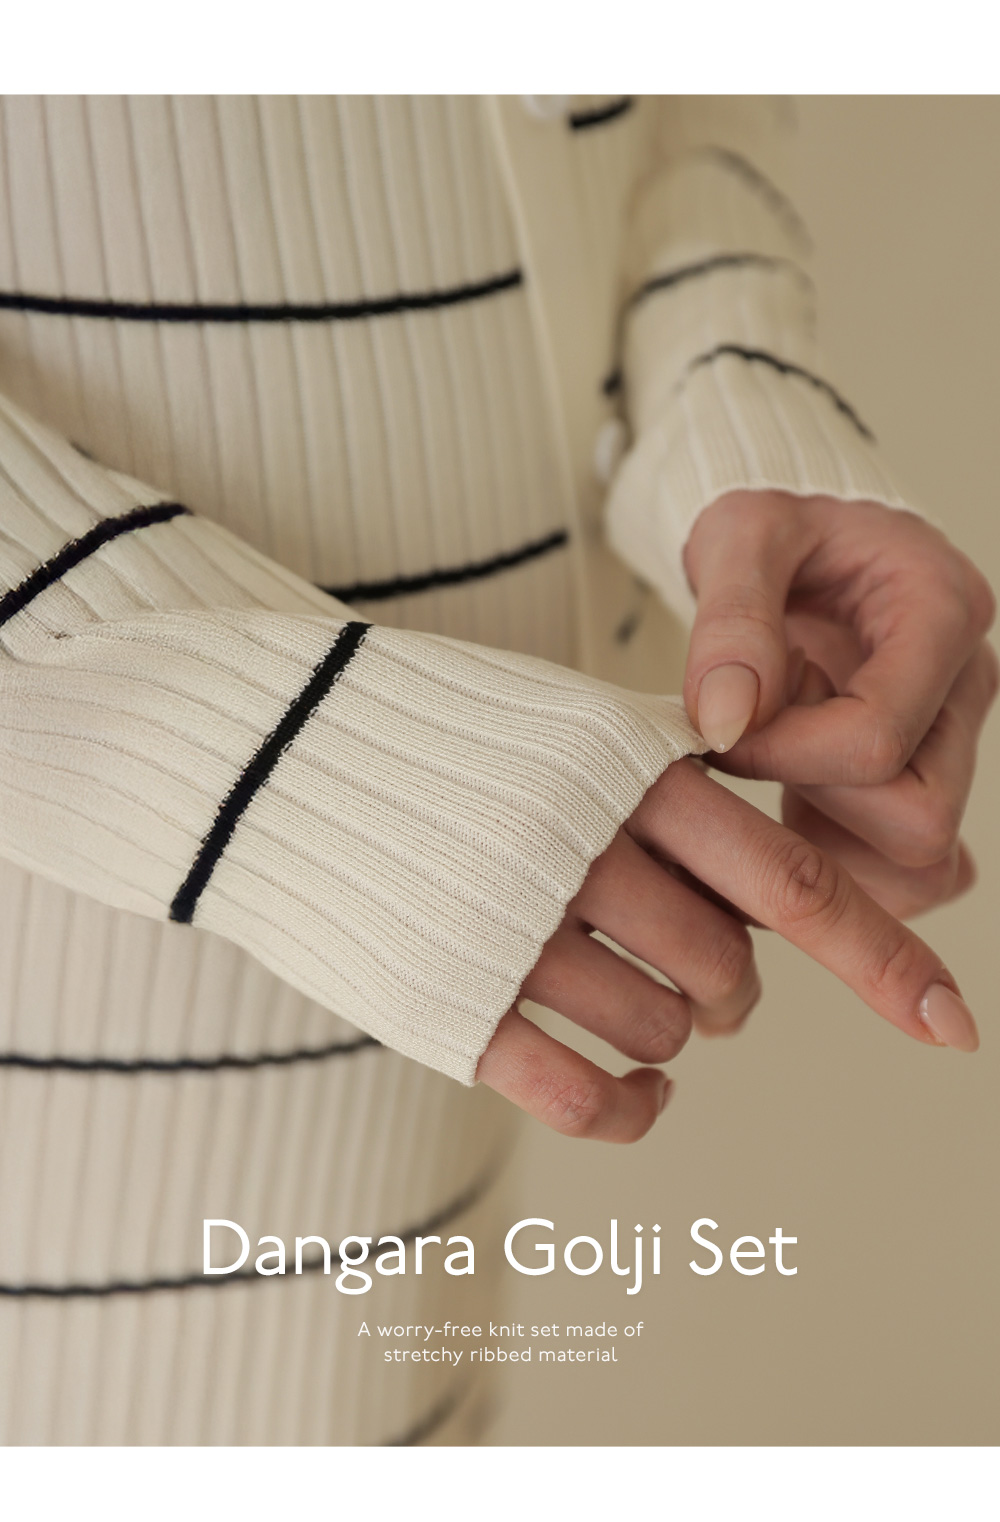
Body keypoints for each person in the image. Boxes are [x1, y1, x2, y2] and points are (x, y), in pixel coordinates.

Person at [0, 94, 993, 1444]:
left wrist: (731, 409)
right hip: (83, 997)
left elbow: (673, 98)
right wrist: (303, 761)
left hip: (445, 1006)